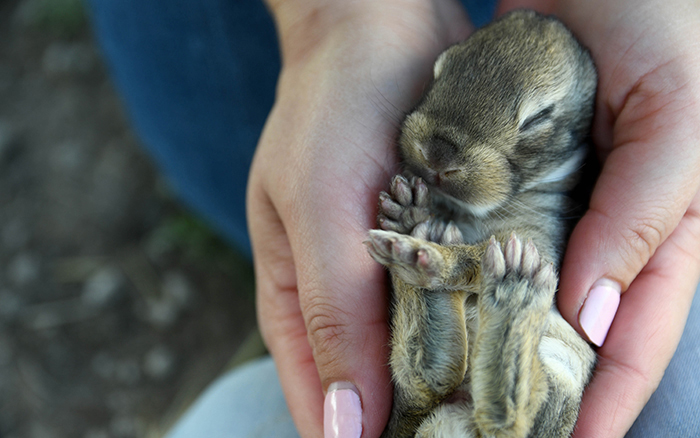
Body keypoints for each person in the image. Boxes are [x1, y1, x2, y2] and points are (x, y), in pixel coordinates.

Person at [87, 0, 700, 437]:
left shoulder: (566, 189)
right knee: (410, 355)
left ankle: (497, 359)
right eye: (441, 80)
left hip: (508, 376)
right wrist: (333, 18)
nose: (439, 164)